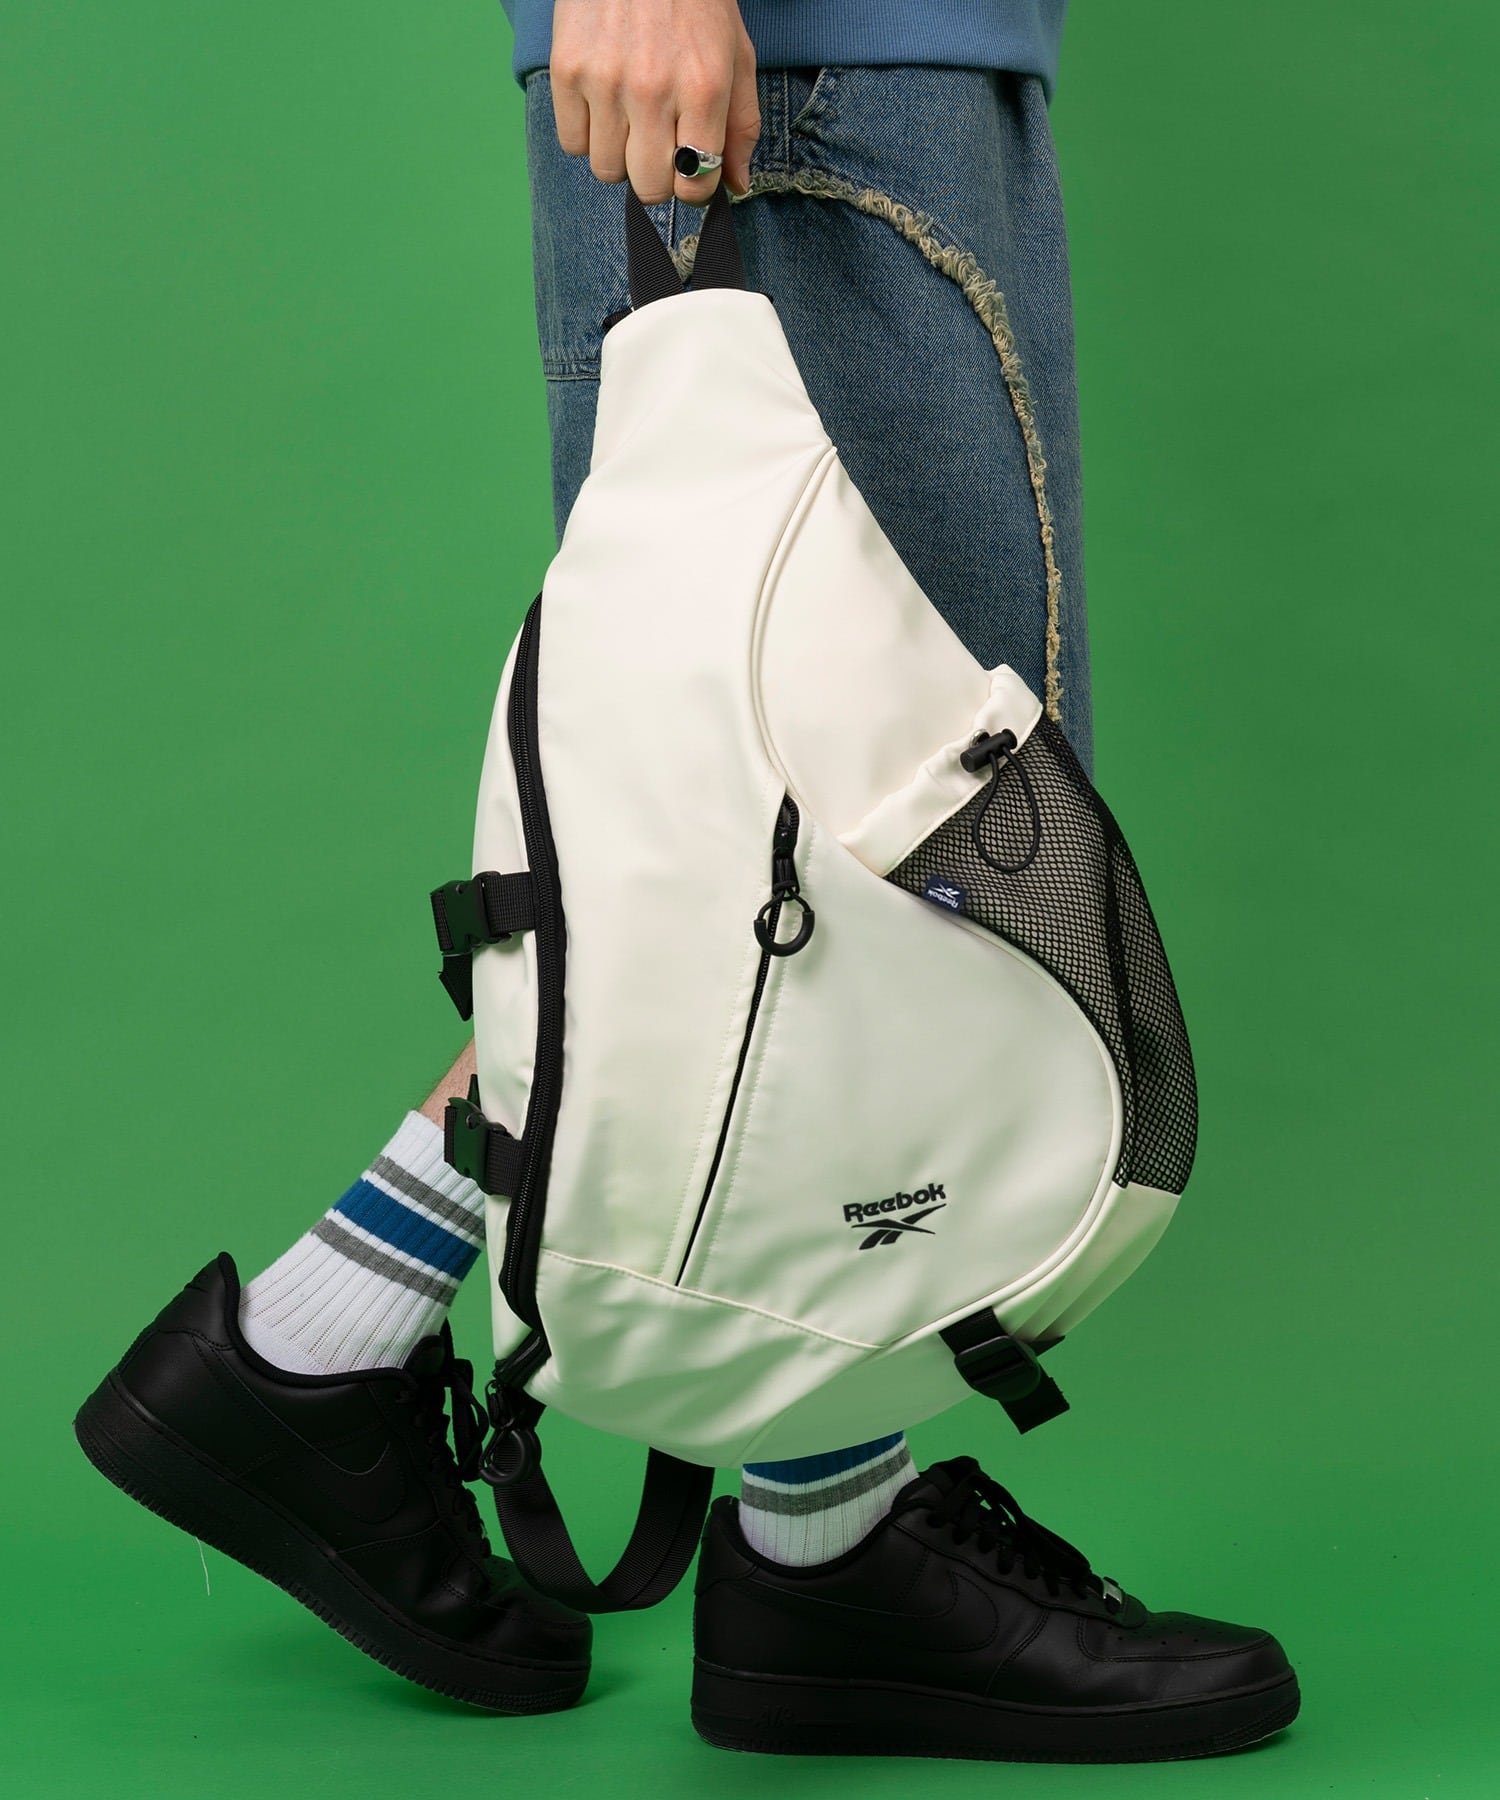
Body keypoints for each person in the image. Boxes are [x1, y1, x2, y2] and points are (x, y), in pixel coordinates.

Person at [75, 0, 1299, 1760]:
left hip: (867, 75)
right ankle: (808, 1542)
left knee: (799, 863)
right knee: (902, 858)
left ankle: (377, 1371)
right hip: (822, 78)